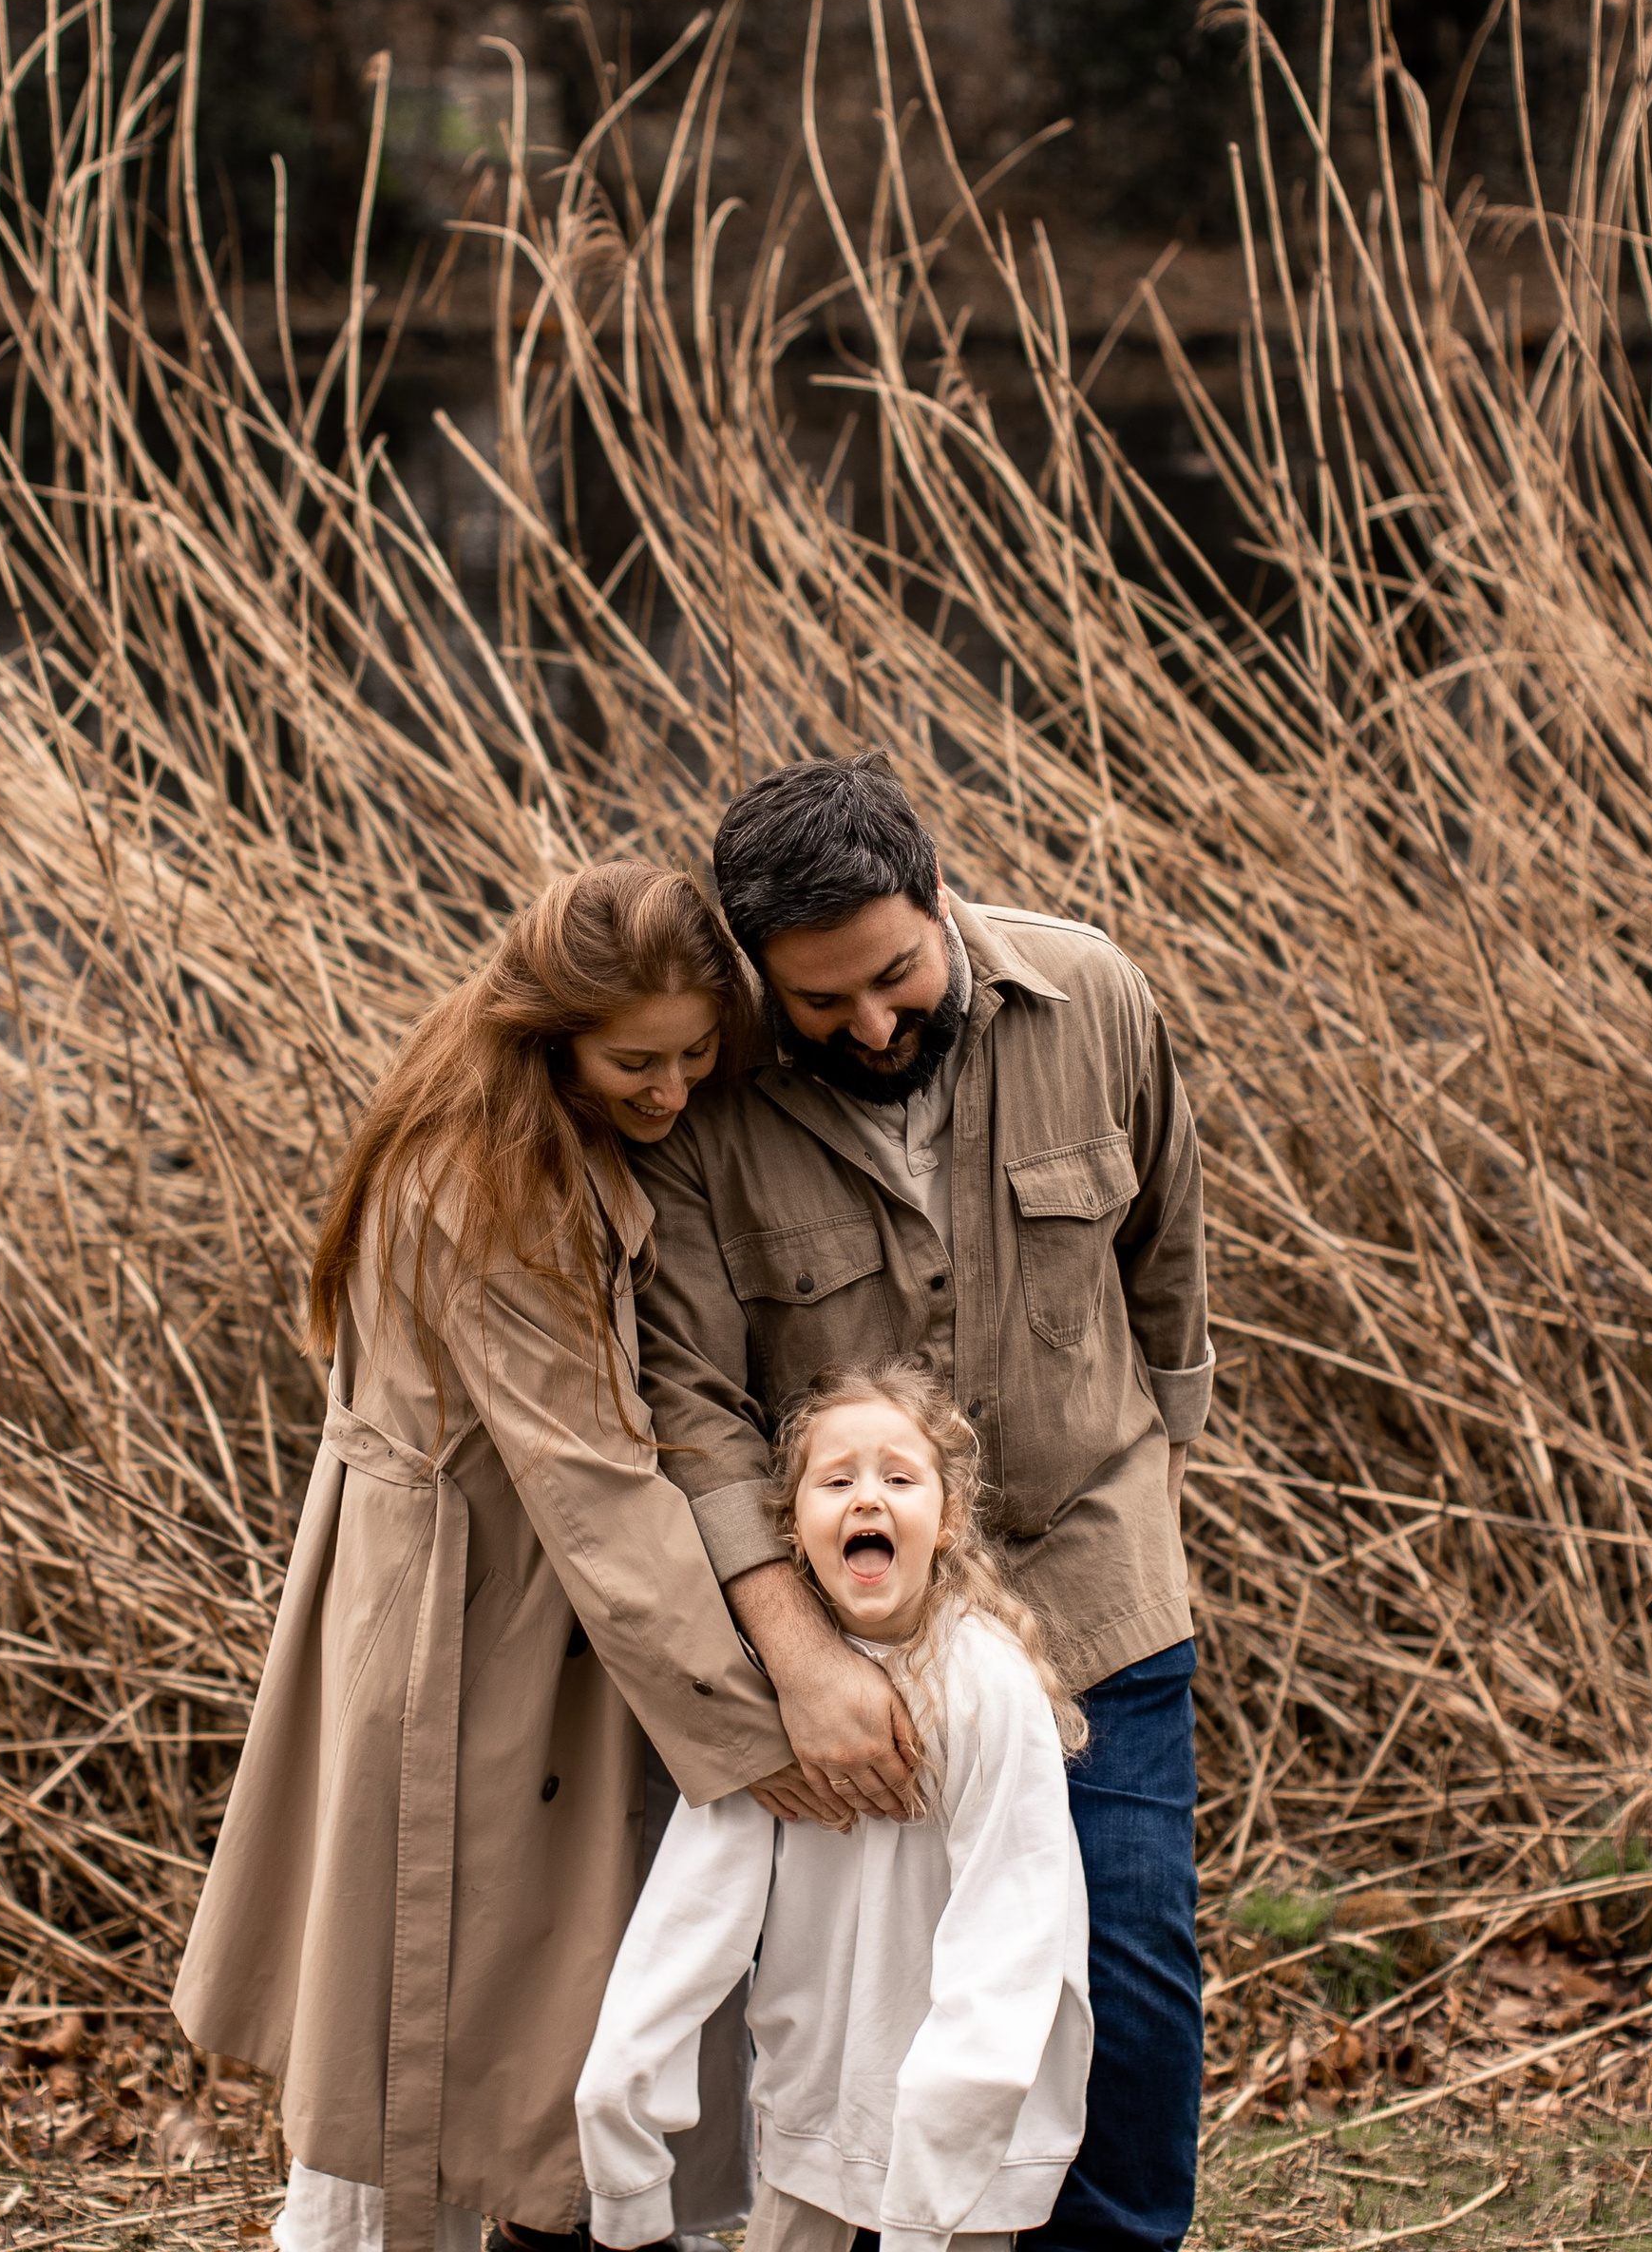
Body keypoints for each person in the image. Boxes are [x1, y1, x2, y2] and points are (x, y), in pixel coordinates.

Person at [173, 861, 811, 2252]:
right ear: (551, 1033)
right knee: (441, 2012)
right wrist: (765, 1731)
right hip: (472, 1625)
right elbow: (592, 1481)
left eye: (700, 1052)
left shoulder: (536, 1119)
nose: (672, 1087)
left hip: (522, 1606)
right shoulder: (487, 1178)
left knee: (501, 2010)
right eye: (635, 1059)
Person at [632, 753, 1215, 2252]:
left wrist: (1158, 1478)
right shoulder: (715, 1103)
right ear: (764, 981)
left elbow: (1166, 1267)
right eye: (824, 1004)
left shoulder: (1099, 1000)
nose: (872, 1024)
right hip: (860, 1635)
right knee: (864, 2007)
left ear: (938, 891)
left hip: (1098, 1586)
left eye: (894, 974)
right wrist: (799, 1651)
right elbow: (692, 1400)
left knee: (1129, 1972)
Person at [576, 1363, 1092, 2252]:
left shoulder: (987, 1688)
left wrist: (938, 2151)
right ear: (790, 1524)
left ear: (949, 1516)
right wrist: (618, 2110)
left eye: (899, 1477)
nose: (868, 1498)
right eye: (837, 1479)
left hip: (961, 2150)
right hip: (813, 2103)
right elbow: (693, 1914)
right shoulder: (774, 1700)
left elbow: (1012, 1932)